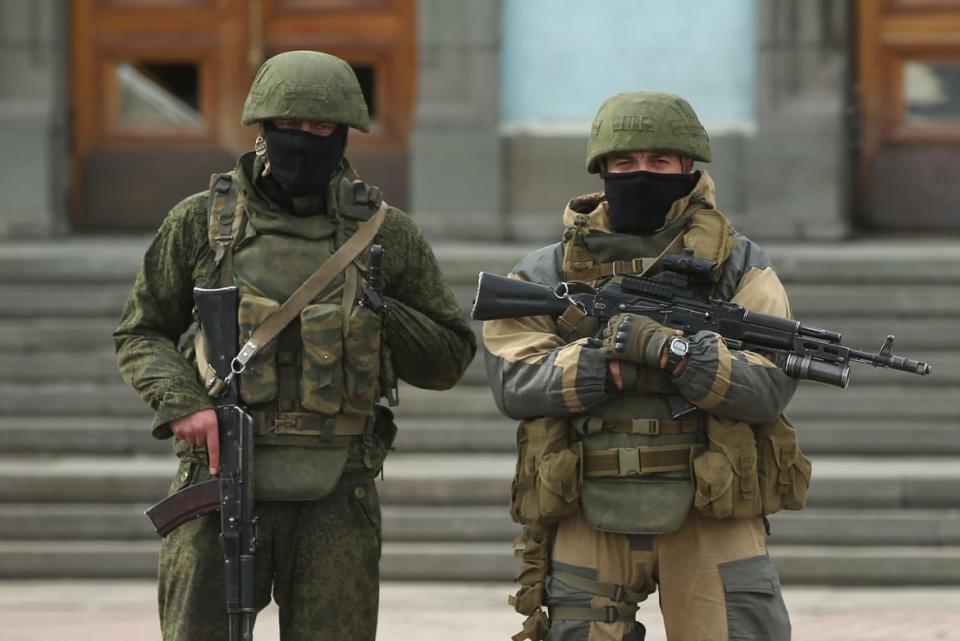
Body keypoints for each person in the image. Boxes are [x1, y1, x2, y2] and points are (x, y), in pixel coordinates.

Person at [114, 50, 476, 641]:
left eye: (321, 129)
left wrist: (378, 306)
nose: (303, 142)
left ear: (343, 136)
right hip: (220, 476)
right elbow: (141, 330)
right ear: (263, 131)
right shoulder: (201, 223)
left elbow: (450, 359)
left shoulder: (384, 234)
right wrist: (183, 402)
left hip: (336, 490)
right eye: (288, 128)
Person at [483, 91, 809, 641]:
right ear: (603, 169)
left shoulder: (739, 265)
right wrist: (612, 363)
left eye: (660, 162)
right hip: (587, 500)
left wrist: (673, 352)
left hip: (713, 505)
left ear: (688, 168)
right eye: (625, 163)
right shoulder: (548, 271)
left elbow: (769, 384)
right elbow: (514, 380)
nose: (642, 174)